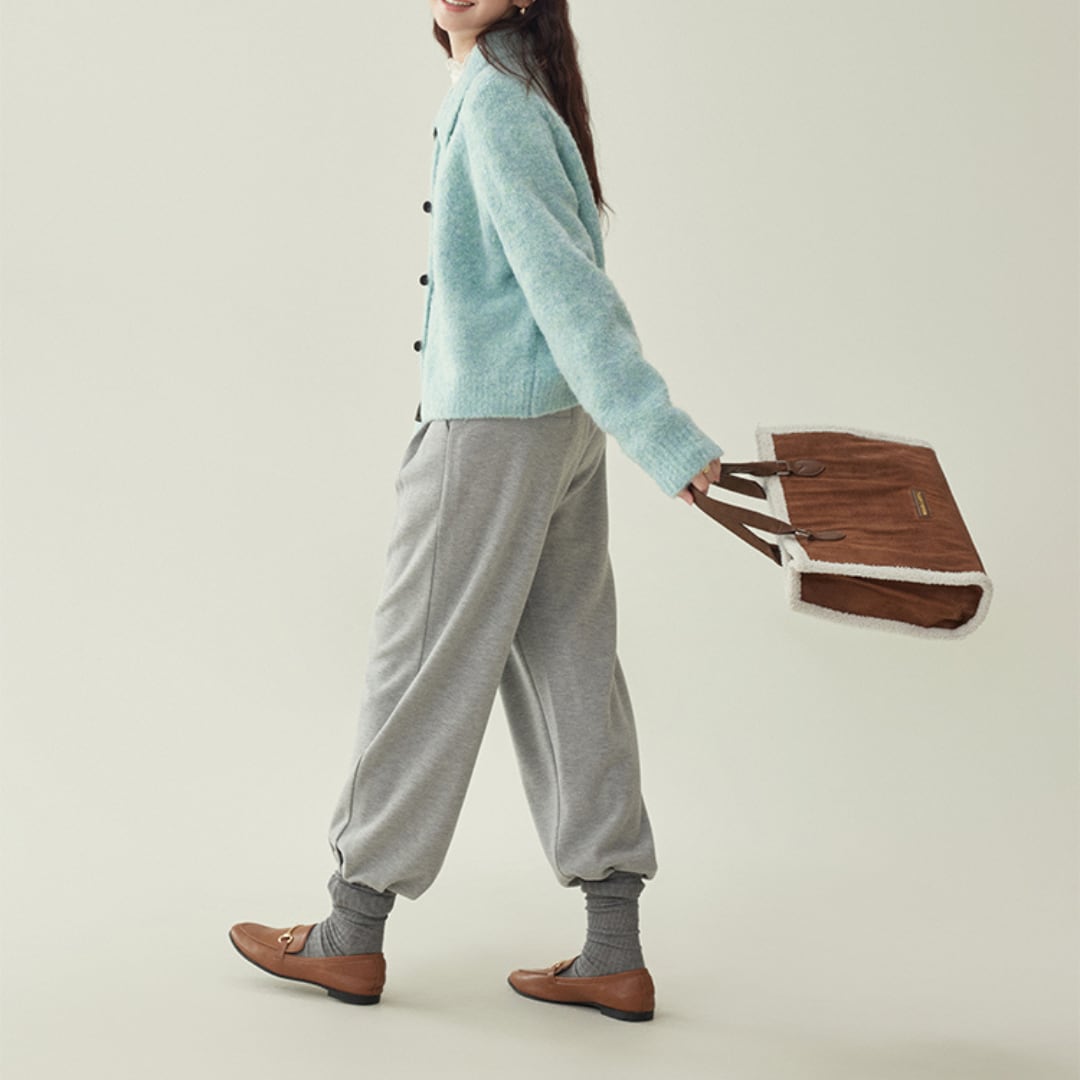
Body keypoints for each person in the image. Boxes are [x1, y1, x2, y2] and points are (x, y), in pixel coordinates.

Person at [229, 0, 723, 1024]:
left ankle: (350, 931)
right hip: (557, 427)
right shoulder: (517, 89)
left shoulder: (498, 104)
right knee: (571, 665)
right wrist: (637, 431)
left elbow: (566, 287)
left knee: (417, 665)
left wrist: (661, 435)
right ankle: (614, 951)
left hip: (492, 427)